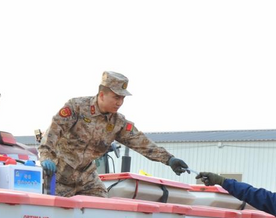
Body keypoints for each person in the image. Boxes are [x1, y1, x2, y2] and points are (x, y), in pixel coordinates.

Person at [38, 71, 190, 197]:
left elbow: (141, 142)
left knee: (103, 210)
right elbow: (53, 131)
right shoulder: (76, 107)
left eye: (122, 98)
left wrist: (169, 159)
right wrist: (45, 157)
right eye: (116, 97)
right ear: (102, 94)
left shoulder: (118, 123)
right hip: (59, 176)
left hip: (86, 177)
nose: (120, 102)